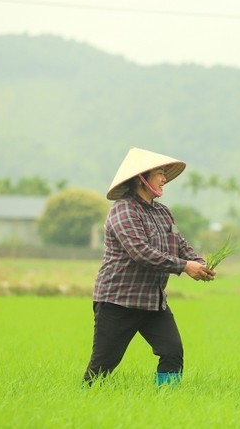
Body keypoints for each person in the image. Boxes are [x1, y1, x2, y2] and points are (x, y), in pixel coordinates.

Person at [83, 147, 215, 387]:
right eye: (160, 173)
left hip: (153, 302)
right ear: (142, 178)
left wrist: (199, 263)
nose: (165, 179)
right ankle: (84, 397)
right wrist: (185, 267)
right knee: (103, 364)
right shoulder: (123, 210)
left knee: (172, 351)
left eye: (165, 174)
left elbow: (180, 245)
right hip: (118, 300)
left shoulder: (164, 214)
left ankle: (167, 402)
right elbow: (142, 253)